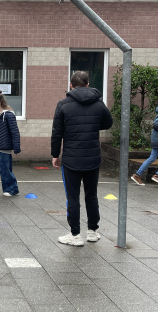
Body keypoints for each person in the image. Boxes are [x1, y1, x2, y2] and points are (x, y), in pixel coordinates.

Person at [51, 71, 113, 246]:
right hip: (93, 159)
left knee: (73, 197)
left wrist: (55, 155)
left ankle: (75, 235)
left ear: (71, 85)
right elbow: (108, 123)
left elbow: (57, 133)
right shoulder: (99, 103)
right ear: (87, 84)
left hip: (71, 159)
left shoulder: (63, 104)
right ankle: (93, 231)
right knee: (91, 195)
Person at [131, 107, 158, 186]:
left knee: (152, 158)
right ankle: (156, 176)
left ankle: (137, 175)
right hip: (157, 140)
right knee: (152, 158)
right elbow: (156, 125)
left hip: (155, 140)